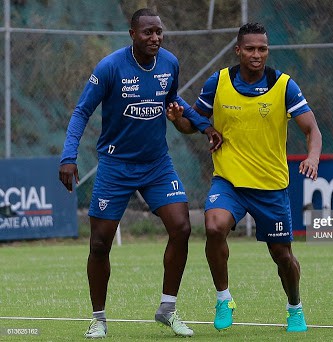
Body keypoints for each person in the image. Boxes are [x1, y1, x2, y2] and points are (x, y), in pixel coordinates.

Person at [58, 8, 222, 338]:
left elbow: (172, 100)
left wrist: (205, 126)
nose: (155, 38)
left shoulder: (169, 63)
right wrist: (68, 157)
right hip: (116, 166)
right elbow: (81, 112)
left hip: (157, 165)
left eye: (159, 32)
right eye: (148, 32)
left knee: (182, 227)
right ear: (132, 34)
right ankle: (99, 319)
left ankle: (168, 309)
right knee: (100, 244)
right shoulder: (109, 68)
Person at [168, 22, 322, 332]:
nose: (256, 54)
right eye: (250, 48)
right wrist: (177, 121)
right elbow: (193, 123)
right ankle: (224, 298)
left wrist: (313, 157)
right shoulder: (219, 82)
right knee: (213, 227)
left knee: (283, 257)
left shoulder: (284, 85)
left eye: (262, 49)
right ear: (238, 50)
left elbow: (312, 129)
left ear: (268, 51)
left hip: (271, 186)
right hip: (229, 181)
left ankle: (294, 307)